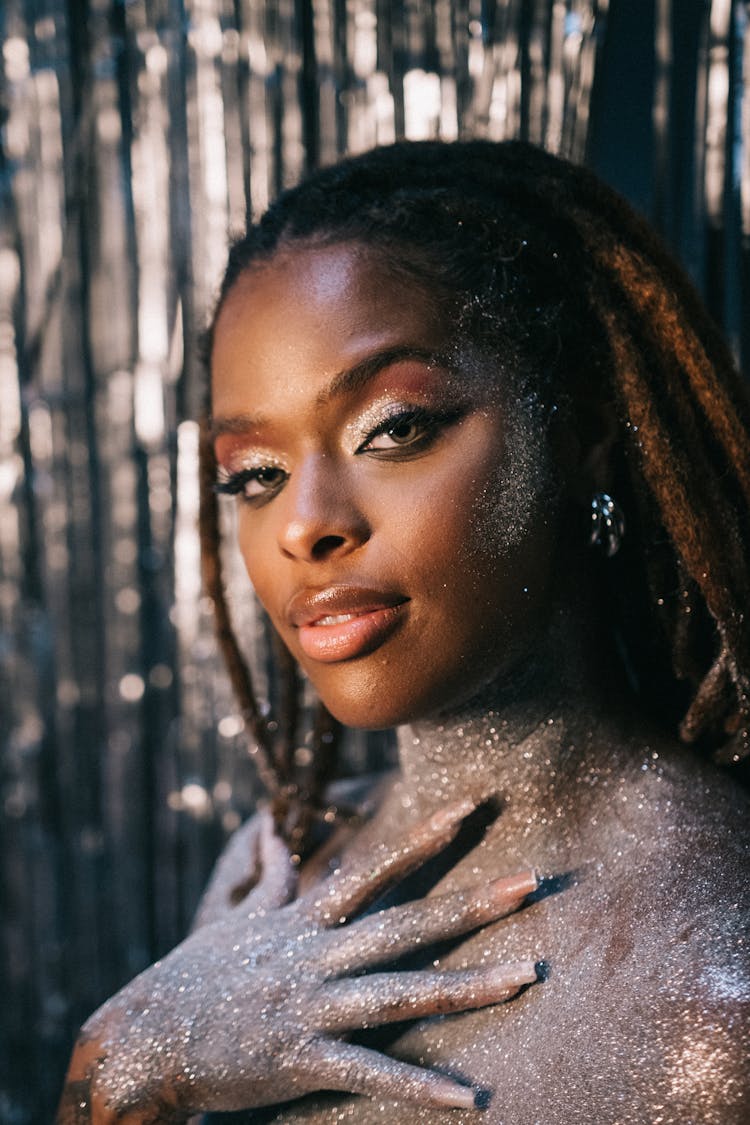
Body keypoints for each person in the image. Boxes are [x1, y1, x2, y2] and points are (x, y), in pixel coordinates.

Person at [58, 140, 750, 1124]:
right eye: (254, 474)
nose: (303, 525)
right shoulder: (274, 874)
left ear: (579, 430)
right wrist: (125, 1061)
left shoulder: (716, 998)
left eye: (393, 428)